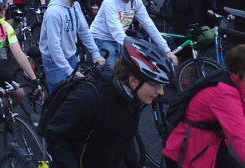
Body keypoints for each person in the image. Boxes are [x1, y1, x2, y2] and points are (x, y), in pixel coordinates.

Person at [44, 37, 174, 168]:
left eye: (162, 86)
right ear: (133, 80)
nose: (161, 92)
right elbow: (55, 133)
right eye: (155, 85)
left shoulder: (131, 98)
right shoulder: (89, 96)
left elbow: (126, 140)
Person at [163, 44, 245, 168]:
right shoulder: (225, 94)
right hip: (189, 152)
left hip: (207, 144)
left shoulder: (232, 79)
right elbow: (239, 136)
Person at [90, 0, 178, 68]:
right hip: (101, 37)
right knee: (112, 68)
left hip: (119, 39)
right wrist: (132, 47)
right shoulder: (110, 2)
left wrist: (167, 50)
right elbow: (116, 29)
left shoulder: (136, 1)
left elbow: (148, 24)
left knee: (127, 69)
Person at [40, 0, 105, 93]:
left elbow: (84, 31)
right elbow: (54, 47)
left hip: (71, 58)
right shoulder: (53, 13)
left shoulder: (75, 5)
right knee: (58, 98)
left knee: (75, 93)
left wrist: (96, 54)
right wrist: (70, 71)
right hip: (55, 63)